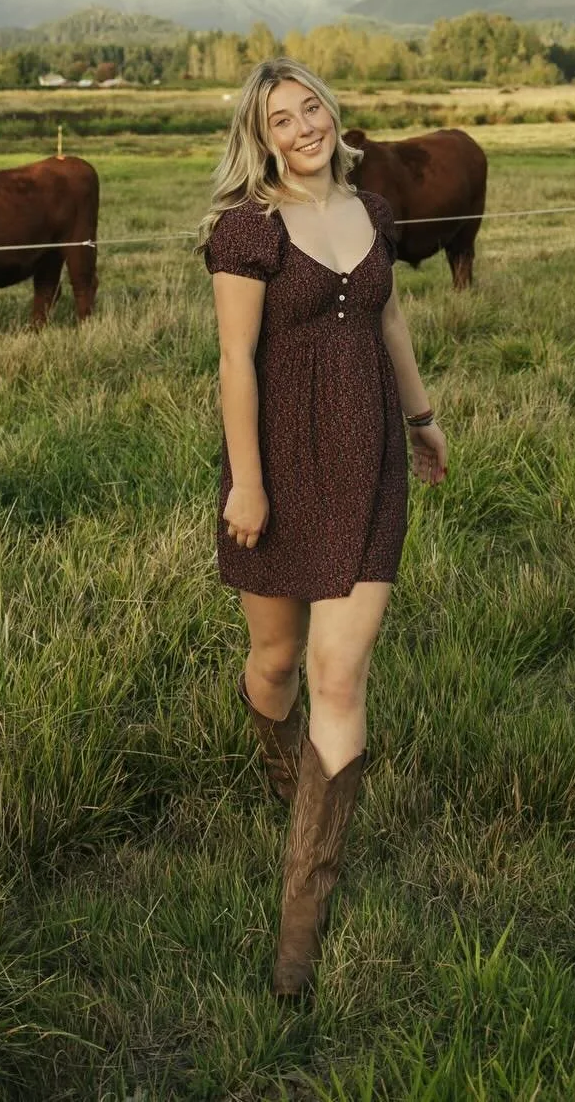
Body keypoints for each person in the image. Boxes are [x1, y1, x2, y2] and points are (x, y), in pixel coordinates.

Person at [198, 58, 449, 998]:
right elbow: (236, 362)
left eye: (312, 106)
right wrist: (249, 483)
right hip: (279, 465)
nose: (303, 125)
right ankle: (279, 770)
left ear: (331, 113)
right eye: (282, 116)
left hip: (372, 458)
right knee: (274, 661)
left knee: (336, 673)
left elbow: (387, 320)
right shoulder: (247, 231)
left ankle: (300, 923)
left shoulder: (373, 212)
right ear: (260, 137)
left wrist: (421, 419)